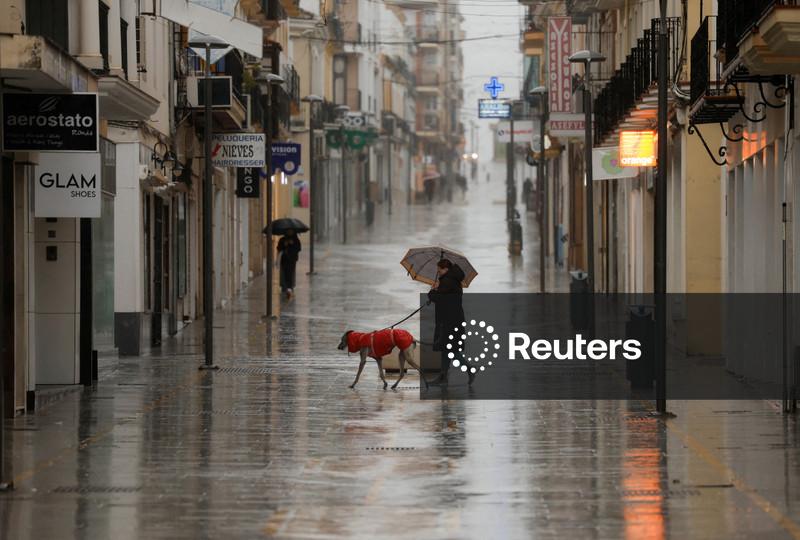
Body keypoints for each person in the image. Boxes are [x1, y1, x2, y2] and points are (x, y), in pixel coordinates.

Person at [427, 259, 474, 386]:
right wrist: (438, 287)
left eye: (439, 270)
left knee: (451, 350)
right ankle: (443, 377)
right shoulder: (452, 280)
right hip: (453, 320)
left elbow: (438, 299)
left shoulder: (447, 281)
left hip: (449, 322)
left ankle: (469, 368)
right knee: (446, 348)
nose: (438, 272)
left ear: (446, 269)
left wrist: (432, 290)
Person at [277, 229, 301, 297]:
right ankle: (284, 286)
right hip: (284, 259)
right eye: (288, 231)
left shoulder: (296, 240)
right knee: (284, 272)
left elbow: (299, 248)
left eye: (291, 231)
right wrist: (284, 245)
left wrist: (292, 244)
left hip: (292, 259)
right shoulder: (282, 239)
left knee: (290, 272)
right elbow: (278, 248)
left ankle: (290, 287)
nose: (289, 232)